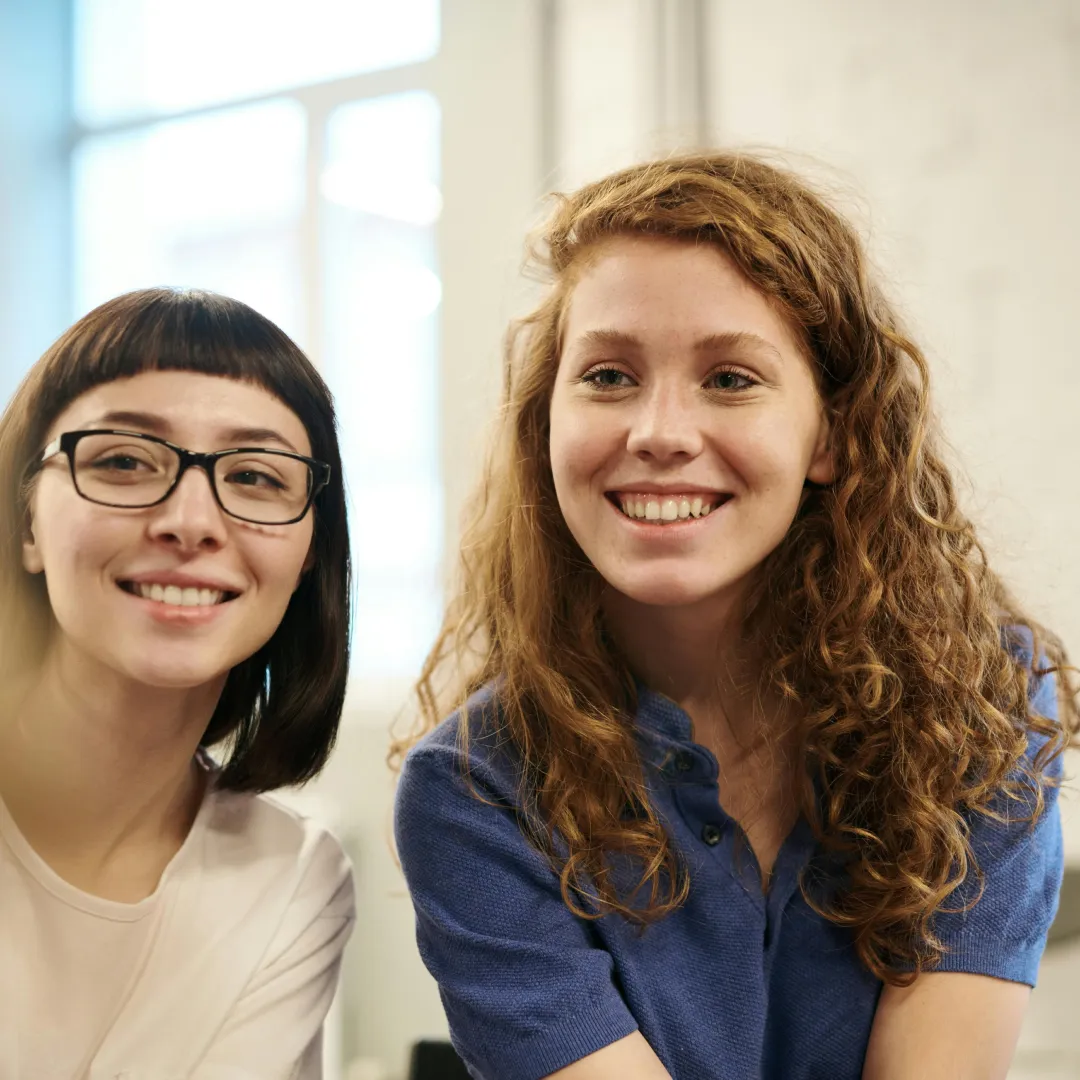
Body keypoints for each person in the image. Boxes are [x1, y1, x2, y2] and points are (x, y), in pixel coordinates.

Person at [392, 153, 1078, 1080]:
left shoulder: (984, 706)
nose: (660, 432)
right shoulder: (475, 791)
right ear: (544, 424)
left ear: (831, 433)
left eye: (730, 379)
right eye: (606, 376)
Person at [0, 288, 355, 1078]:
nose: (190, 521)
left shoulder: (290, 880)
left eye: (257, 476)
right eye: (123, 461)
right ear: (27, 523)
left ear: (305, 558)